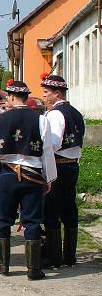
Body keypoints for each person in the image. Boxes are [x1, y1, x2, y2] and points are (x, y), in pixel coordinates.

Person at [0, 80, 57, 280]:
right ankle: (33, 269)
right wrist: (49, 177)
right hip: (33, 176)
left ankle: (3, 265)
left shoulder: (0, 120)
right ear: (26, 98)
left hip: (8, 175)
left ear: (10, 97)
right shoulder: (41, 119)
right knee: (32, 220)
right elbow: (47, 150)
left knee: (3, 219)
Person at [40, 74, 85, 268]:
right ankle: (70, 255)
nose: (44, 96)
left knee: (52, 208)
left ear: (57, 93)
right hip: (72, 164)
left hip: (58, 165)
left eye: (47, 92)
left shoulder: (55, 114)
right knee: (69, 207)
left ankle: (54, 256)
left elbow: (54, 142)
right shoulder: (76, 112)